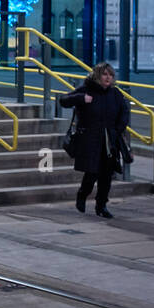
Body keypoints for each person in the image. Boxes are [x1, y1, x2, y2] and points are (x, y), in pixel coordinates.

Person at [59, 62, 131, 219]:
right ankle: (82, 195)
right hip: (90, 139)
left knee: (106, 176)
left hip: (109, 142)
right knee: (91, 173)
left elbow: (124, 112)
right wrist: (81, 98)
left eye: (111, 75)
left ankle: (101, 205)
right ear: (97, 76)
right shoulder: (86, 90)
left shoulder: (116, 93)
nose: (108, 78)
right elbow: (63, 100)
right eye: (105, 74)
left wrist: (117, 129)